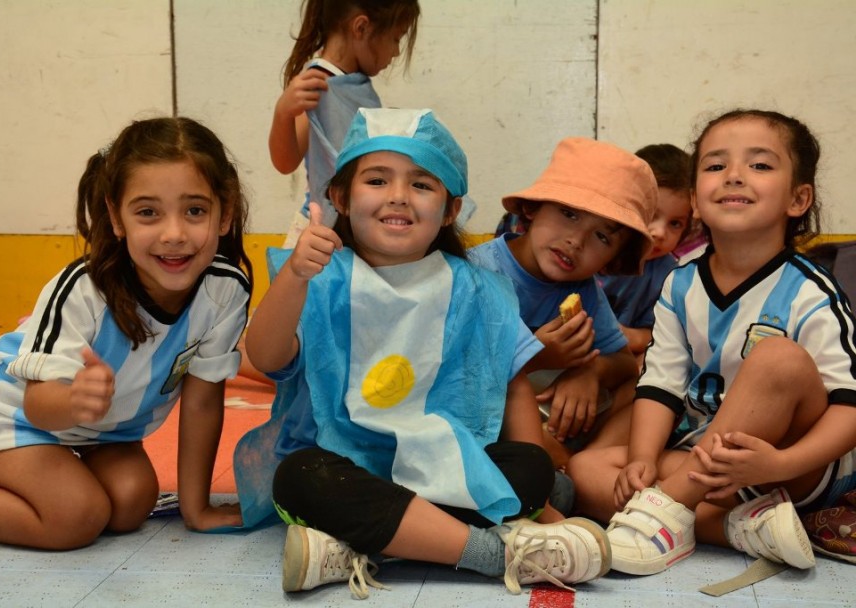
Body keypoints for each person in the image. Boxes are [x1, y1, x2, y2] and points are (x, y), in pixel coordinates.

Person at [242, 108, 611, 599]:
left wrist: (539, 502)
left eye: (421, 184)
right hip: (339, 465)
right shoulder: (319, 276)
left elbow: (511, 385)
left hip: (442, 466)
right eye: (376, 179)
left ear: (451, 209)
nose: (398, 195)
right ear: (340, 197)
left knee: (529, 465)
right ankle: (495, 553)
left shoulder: (476, 290)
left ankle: (358, 548)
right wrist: (293, 278)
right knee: (299, 478)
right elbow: (266, 357)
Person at [569, 109, 856, 576]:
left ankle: (666, 513)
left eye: (760, 166)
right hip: (707, 456)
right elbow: (660, 386)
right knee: (588, 471)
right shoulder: (680, 286)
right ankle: (739, 527)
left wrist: (779, 463)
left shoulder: (809, 291)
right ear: (697, 202)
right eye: (716, 165)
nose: (735, 176)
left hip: (792, 464)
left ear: (798, 199)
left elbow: (849, 408)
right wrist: (641, 460)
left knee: (778, 358)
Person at [0, 117, 252, 549]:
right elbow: (37, 406)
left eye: (195, 210)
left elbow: (202, 402)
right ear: (116, 217)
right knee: (75, 518)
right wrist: (73, 399)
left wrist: (195, 508)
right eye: (148, 212)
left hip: (103, 434)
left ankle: (50, 477)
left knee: (131, 503)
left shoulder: (227, 289)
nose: (174, 234)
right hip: (9, 416)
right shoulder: (84, 289)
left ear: (226, 212)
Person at [468, 138, 657, 472]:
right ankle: (561, 469)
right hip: (487, 423)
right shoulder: (478, 273)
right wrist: (537, 358)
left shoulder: (584, 291)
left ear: (613, 259)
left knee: (645, 382)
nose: (576, 241)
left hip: (561, 424)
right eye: (569, 214)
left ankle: (588, 466)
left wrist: (589, 371)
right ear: (533, 208)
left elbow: (625, 364)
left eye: (602, 237)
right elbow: (455, 376)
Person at [271, 0, 421, 247]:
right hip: (323, 233)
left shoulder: (358, 87)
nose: (395, 53)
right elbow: (285, 162)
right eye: (396, 38)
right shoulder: (317, 84)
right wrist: (283, 114)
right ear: (361, 28)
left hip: (358, 229)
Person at [598, 144, 693, 362]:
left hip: (619, 359)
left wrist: (630, 337)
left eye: (676, 223)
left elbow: (662, 336)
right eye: (650, 214)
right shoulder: (590, 248)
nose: (660, 232)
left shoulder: (670, 276)